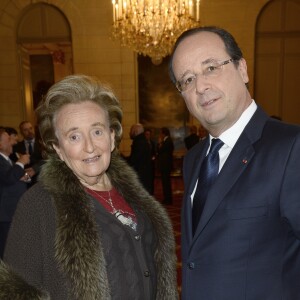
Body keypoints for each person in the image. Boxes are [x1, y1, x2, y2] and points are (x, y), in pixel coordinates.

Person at [0, 75, 178, 299]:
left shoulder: (133, 193)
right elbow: (15, 293)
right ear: (59, 149)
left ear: (112, 138)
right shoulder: (39, 203)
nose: (90, 147)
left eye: (97, 131)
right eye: (74, 136)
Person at [169, 26, 300, 300]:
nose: (201, 86)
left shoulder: (291, 147)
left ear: (242, 69)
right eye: (187, 79)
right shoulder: (194, 159)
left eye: (211, 68)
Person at [0, 127, 31, 258]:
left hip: (12, 212)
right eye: (9, 139)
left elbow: (14, 176)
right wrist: (20, 162)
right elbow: (8, 178)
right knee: (5, 251)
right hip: (5, 215)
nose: (13, 142)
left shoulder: (7, 160)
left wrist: (25, 176)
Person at [13, 120, 44, 186]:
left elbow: (47, 160)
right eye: (25, 130)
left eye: (30, 128)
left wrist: (35, 168)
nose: (29, 131)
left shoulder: (42, 144)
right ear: (21, 132)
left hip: (42, 180)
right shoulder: (17, 147)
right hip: (25, 182)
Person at [128, 123, 154, 194]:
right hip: (144, 175)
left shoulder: (139, 142)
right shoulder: (142, 140)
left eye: (131, 130)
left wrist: (121, 159)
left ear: (136, 131)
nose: (129, 132)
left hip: (140, 176)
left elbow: (133, 160)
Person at [157, 127, 174, 205]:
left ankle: (168, 199)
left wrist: (160, 143)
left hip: (166, 165)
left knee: (166, 183)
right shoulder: (166, 141)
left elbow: (160, 151)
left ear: (164, 133)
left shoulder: (168, 141)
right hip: (165, 165)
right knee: (165, 182)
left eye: (160, 133)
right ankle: (167, 198)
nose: (160, 135)